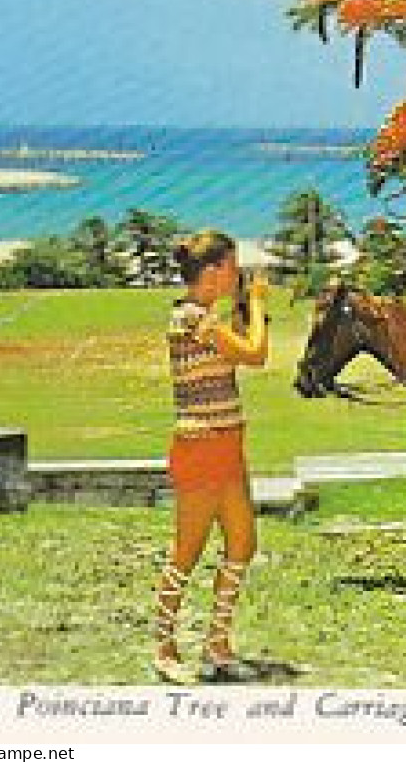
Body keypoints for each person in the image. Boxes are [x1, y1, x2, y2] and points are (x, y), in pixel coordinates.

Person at [152, 230, 270, 685]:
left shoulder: (206, 318)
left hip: (225, 445)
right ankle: (164, 648)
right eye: (233, 265)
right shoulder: (193, 320)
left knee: (242, 543)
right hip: (200, 448)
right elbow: (255, 353)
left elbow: (239, 346)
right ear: (213, 272)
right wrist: (256, 302)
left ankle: (217, 645)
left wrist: (244, 305)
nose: (238, 273)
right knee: (187, 550)